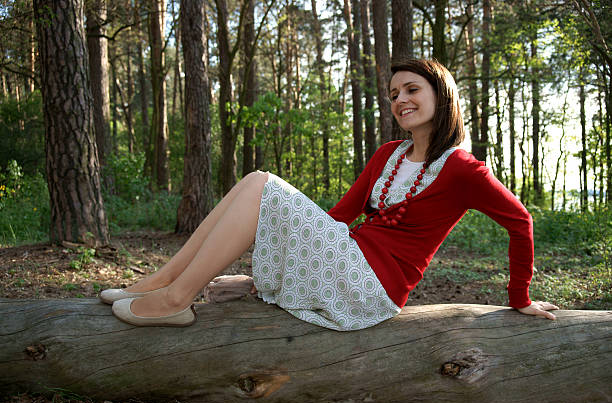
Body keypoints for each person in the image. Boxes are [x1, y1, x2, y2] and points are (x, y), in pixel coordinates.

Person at [101, 58, 558, 329]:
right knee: (253, 183)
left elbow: (521, 221)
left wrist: (519, 297)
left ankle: (176, 299)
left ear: (442, 94)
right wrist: (264, 278)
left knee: (261, 181)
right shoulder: (388, 155)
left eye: (412, 89)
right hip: (344, 262)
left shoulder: (462, 168)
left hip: (374, 288)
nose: (400, 100)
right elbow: (338, 218)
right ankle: (161, 283)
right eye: (394, 92)